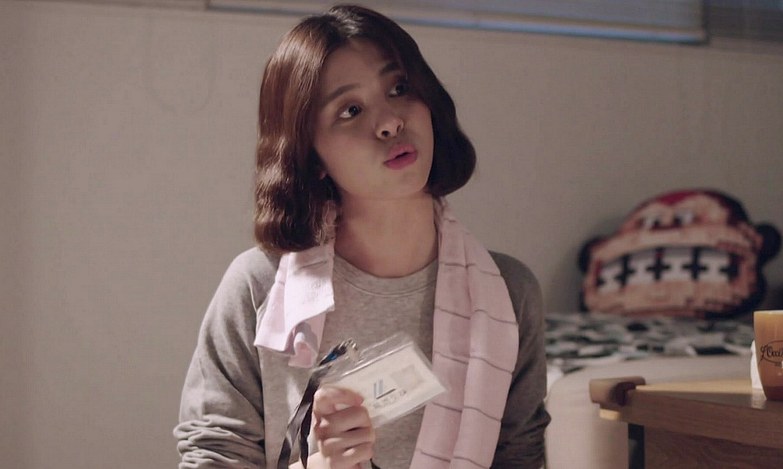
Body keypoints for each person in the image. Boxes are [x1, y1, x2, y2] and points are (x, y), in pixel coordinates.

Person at [174, 4, 550, 468]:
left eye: (399, 88)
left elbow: (520, 458)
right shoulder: (257, 287)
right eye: (350, 110)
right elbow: (214, 455)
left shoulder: (508, 294)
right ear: (310, 155)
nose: (390, 121)